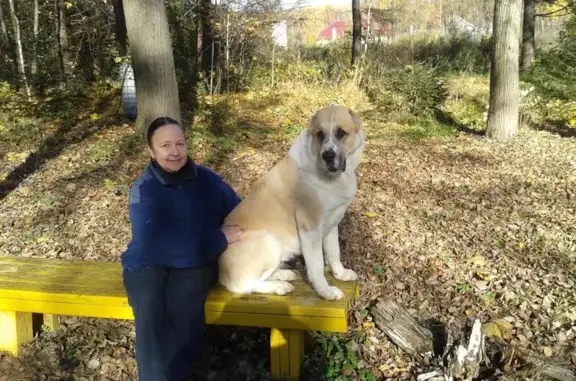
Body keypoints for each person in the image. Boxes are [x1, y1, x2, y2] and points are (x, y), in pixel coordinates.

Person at [121, 116, 243, 381]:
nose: (174, 152)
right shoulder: (145, 189)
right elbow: (159, 245)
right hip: (148, 263)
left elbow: (240, 209)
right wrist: (219, 238)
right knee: (149, 308)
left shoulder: (208, 180)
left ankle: (188, 370)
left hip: (198, 263)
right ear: (151, 152)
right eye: (165, 146)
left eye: (180, 144)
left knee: (183, 302)